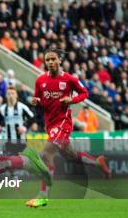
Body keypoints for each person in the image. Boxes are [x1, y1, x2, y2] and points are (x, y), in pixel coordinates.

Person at [27, 48, 111, 208]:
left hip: (63, 123)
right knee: (70, 156)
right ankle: (98, 162)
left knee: (45, 154)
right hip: (50, 124)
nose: (50, 62)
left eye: (53, 59)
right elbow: (39, 98)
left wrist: (71, 100)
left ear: (59, 60)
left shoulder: (69, 79)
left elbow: (84, 93)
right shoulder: (40, 81)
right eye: (47, 60)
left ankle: (43, 196)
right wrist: (35, 101)